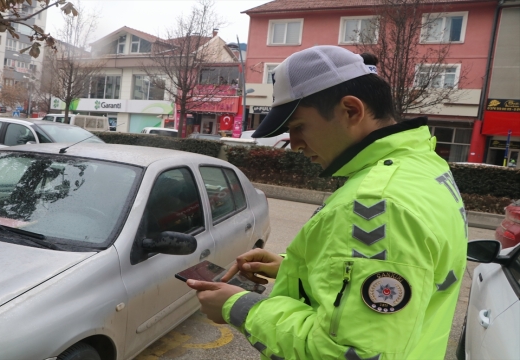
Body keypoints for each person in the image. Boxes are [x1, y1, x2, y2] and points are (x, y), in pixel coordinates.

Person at [187, 46, 468, 359]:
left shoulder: (377, 204)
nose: (293, 144)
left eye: (298, 127)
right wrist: (296, 268)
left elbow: (348, 353)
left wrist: (236, 306)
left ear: (351, 111)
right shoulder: (422, 166)